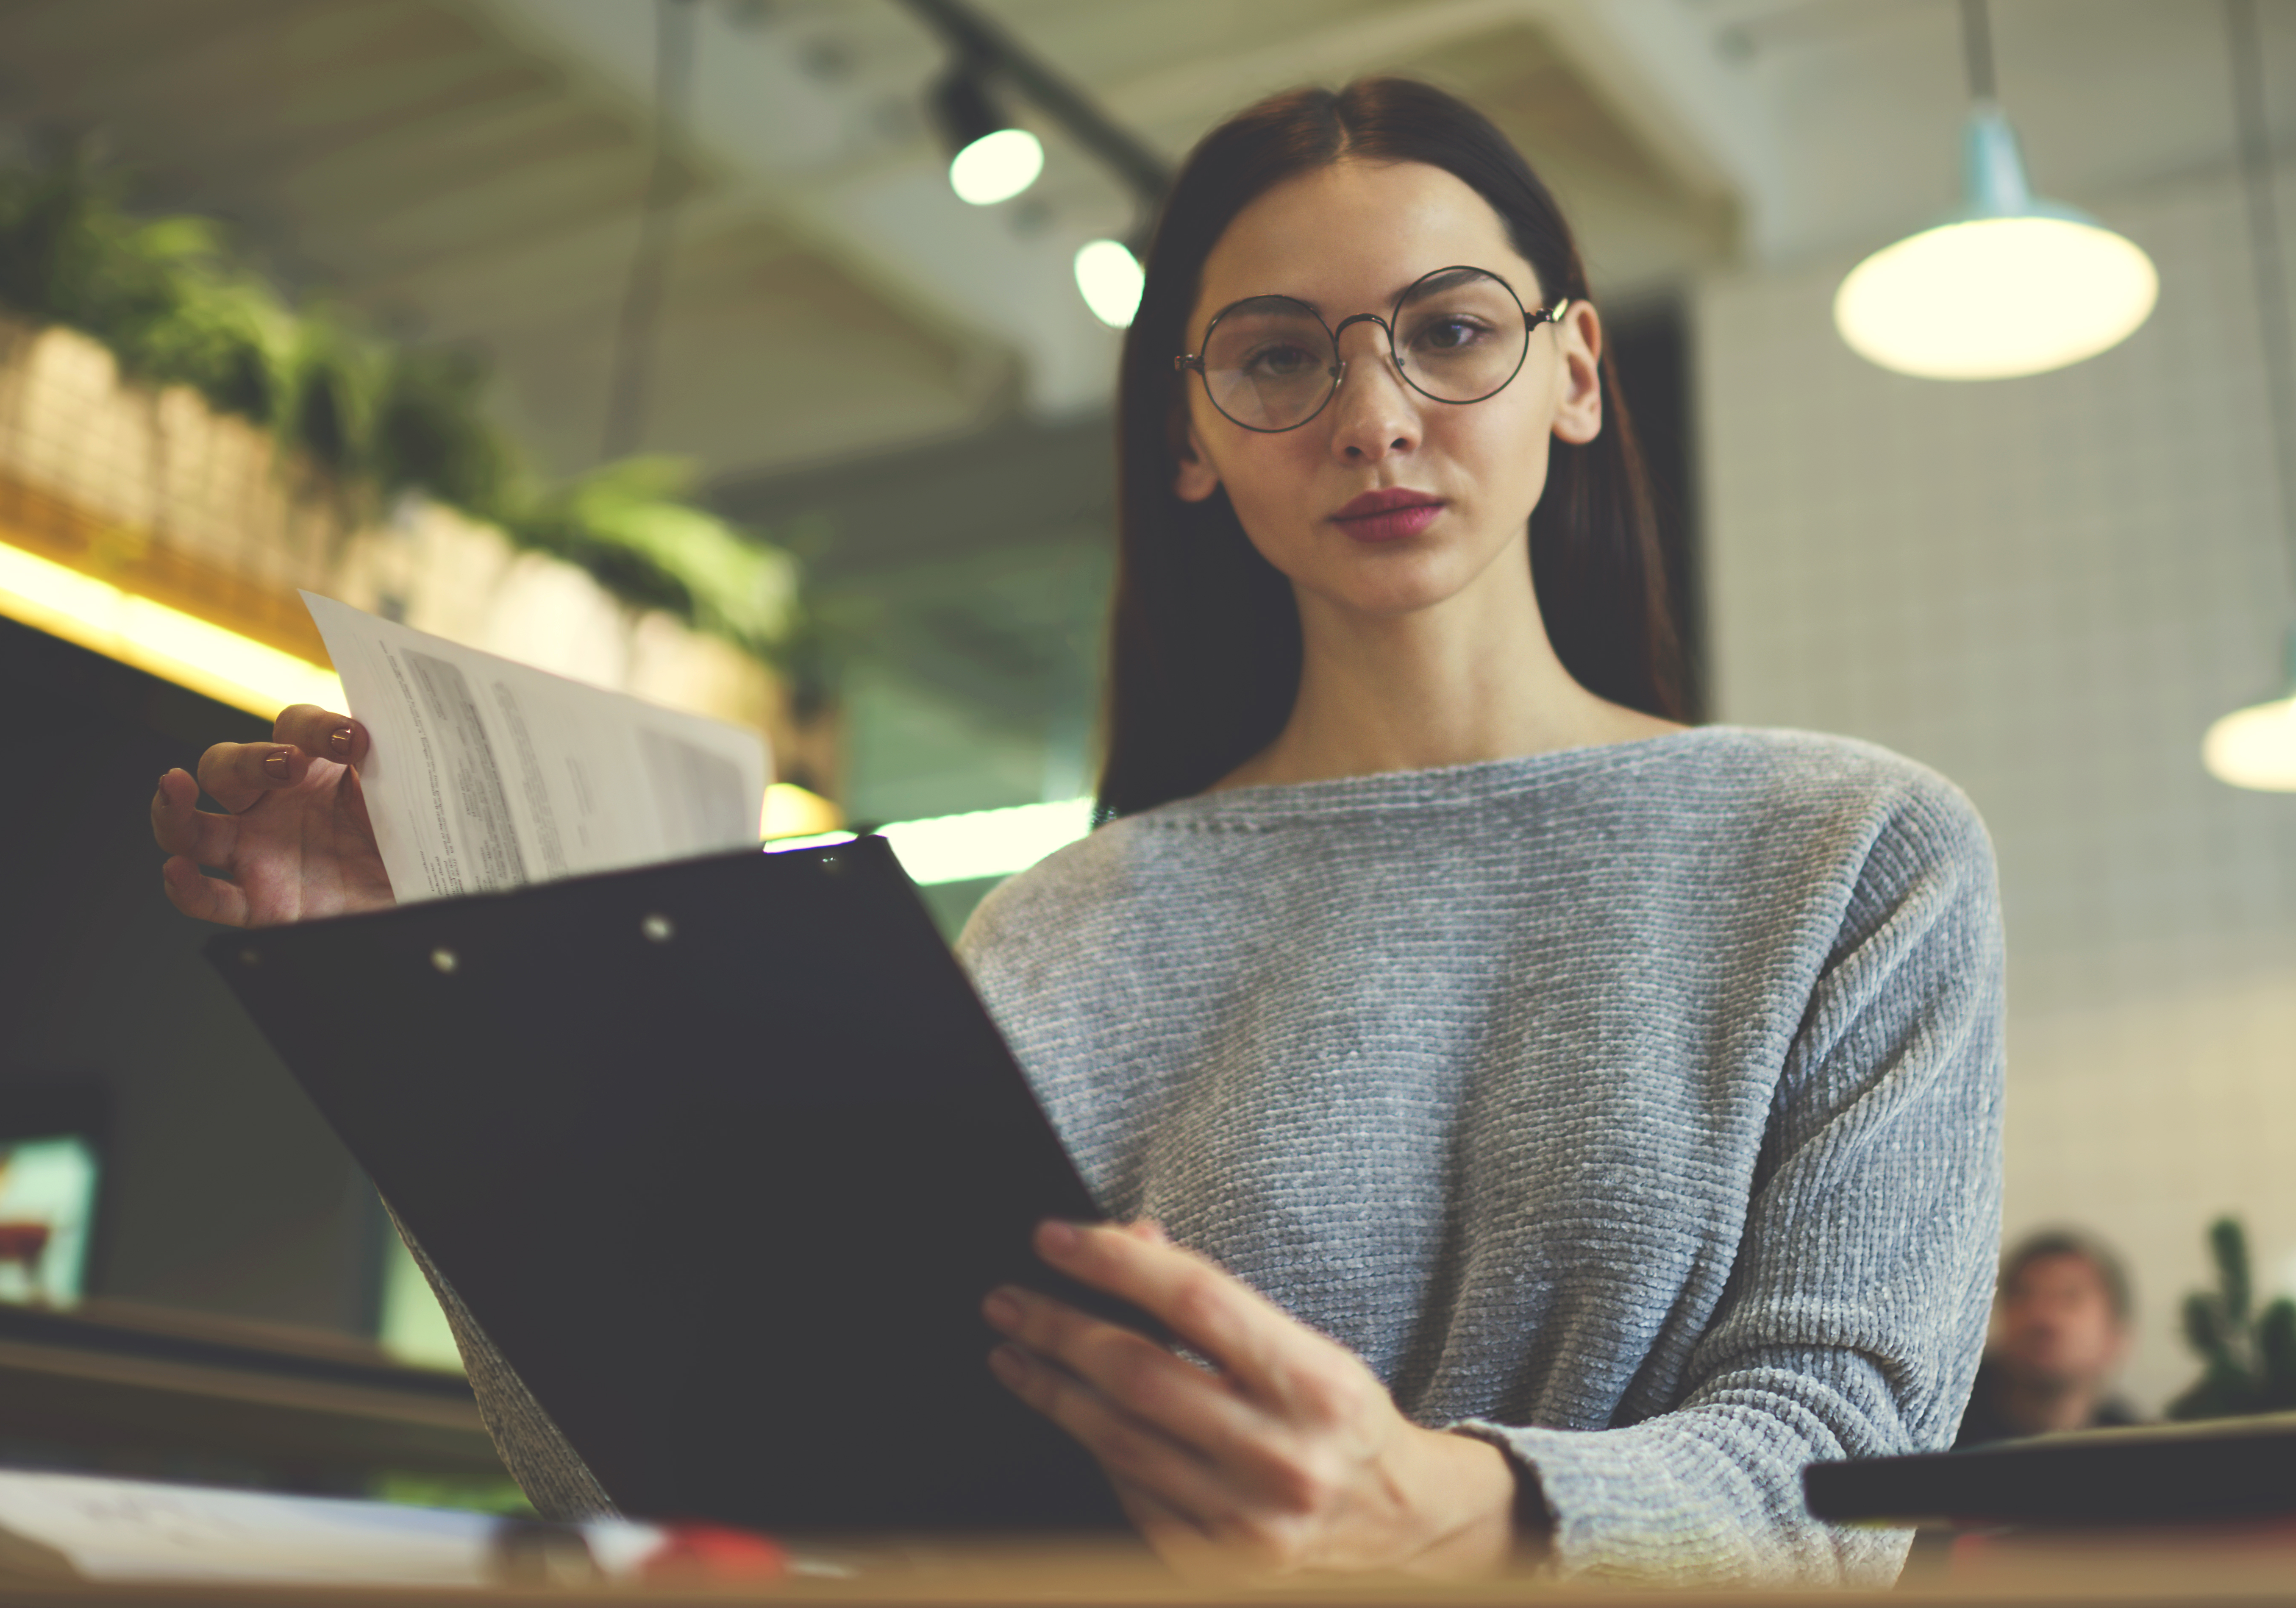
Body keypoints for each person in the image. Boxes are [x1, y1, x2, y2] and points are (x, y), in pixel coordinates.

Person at [150, 78, 2004, 1586]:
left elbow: (1840, 1472)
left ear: (1572, 372)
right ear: (1192, 432)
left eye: (1450, 333)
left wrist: (1441, 1506)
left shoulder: (1848, 853)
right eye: (1278, 358)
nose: (1372, 415)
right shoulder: (1074, 919)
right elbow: (758, 1478)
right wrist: (408, 1019)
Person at [1952, 1230, 2139, 1447]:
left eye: (2070, 1297)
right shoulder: (1943, 1429)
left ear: (2116, 1337)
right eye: (2023, 1295)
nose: (2042, 1315)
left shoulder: (2133, 1443)